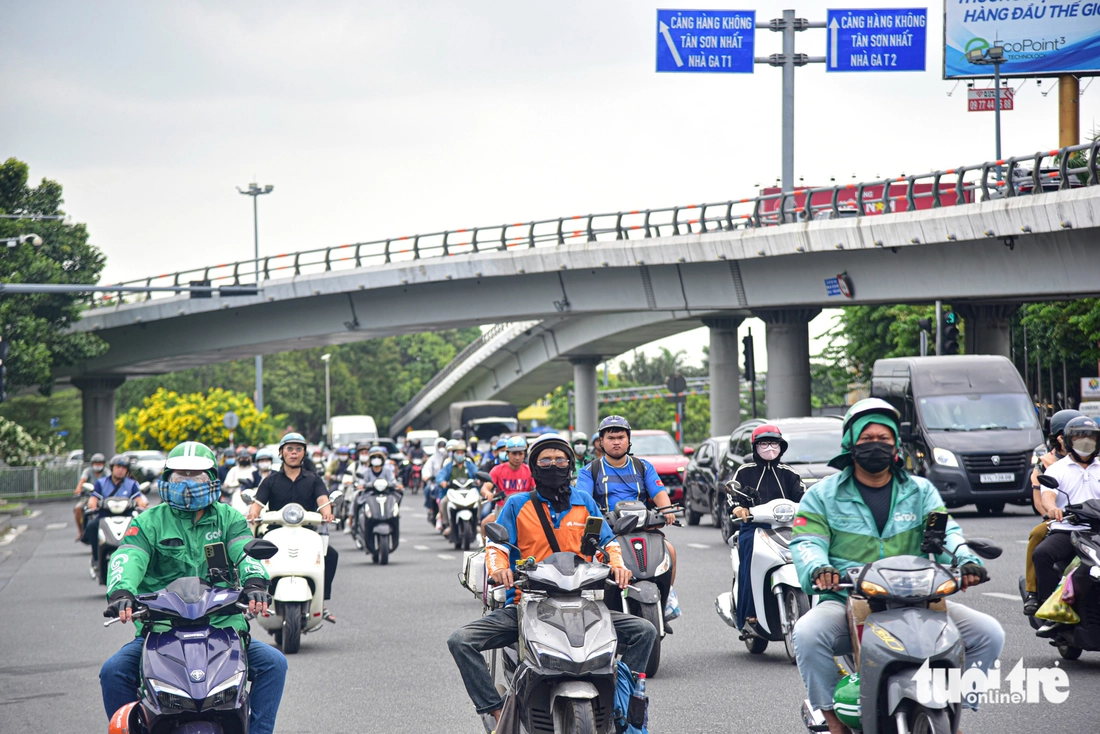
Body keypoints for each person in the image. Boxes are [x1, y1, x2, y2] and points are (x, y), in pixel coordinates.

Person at [790, 398, 1003, 734]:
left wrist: (966, 560)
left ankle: (954, 711)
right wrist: (819, 568)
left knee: (989, 633)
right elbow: (807, 542)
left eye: (884, 439)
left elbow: (947, 533)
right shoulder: (822, 495)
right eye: (867, 439)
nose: (876, 445)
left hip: (919, 600)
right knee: (807, 633)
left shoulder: (921, 491)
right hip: (847, 600)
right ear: (850, 444)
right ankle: (832, 718)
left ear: (895, 445)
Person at [446, 435, 656, 731]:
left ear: (570, 465)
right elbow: (497, 546)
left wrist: (618, 566)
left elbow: (607, 543)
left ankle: (622, 703)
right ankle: (495, 710)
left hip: (584, 603)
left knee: (645, 632)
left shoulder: (584, 502)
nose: (554, 465)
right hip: (527, 603)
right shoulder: (517, 504)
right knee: (461, 641)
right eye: (545, 460)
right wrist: (499, 569)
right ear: (535, 467)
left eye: (560, 460)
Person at [98, 441, 287, 734]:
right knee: (113, 672)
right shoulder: (148, 522)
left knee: (274, 664)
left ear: (211, 479)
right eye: (179, 477)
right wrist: (122, 592)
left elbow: (244, 551)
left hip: (222, 625)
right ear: (167, 480)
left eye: (196, 477)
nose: (187, 485)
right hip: (161, 629)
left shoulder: (229, 518)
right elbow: (129, 556)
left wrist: (255, 583)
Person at [575, 415, 679, 619]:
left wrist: (666, 511)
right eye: (611, 438)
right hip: (608, 533)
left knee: (671, 552)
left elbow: (659, 492)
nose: (616, 442)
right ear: (601, 442)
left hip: (643, 529)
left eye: (621, 437)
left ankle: (666, 600)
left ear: (628, 440)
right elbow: (583, 502)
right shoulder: (590, 471)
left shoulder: (643, 466)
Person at [248, 433, 338, 623]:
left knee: (331, 555)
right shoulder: (270, 480)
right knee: (253, 555)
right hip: (275, 533)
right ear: (281, 453)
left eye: (298, 449)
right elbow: (257, 505)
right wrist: (253, 514)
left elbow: (323, 500)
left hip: (307, 533)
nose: (294, 453)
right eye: (289, 449)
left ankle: (321, 602)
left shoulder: (314, 479)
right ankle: (255, 600)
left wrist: (327, 513)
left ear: (304, 453)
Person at [727, 424, 806, 632]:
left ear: (781, 447)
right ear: (755, 447)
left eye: (774, 443)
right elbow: (732, 497)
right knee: (749, 556)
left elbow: (805, 499)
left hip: (787, 527)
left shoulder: (790, 474)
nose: (769, 448)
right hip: (755, 527)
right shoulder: (744, 472)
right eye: (764, 444)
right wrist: (738, 509)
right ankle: (749, 610)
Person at [1034, 415, 1100, 634]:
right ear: (1070, 440)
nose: (1086, 441)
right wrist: (1053, 509)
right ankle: (1052, 612)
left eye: (1091, 437)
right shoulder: (1057, 469)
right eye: (1080, 436)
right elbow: (1047, 497)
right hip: (1068, 530)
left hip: (1096, 531)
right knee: (1042, 554)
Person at [1022, 409, 1081, 615]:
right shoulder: (1048, 463)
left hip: (1091, 520)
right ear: (1060, 438)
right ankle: (1033, 591)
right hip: (1061, 519)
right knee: (1037, 535)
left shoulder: (1093, 462)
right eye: (1074, 435)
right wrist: (1052, 512)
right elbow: (1041, 499)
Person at [86, 455, 149, 573]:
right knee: (91, 526)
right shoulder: (101, 483)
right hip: (105, 516)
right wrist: (92, 505)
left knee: (143, 529)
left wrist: (142, 505)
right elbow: (93, 498)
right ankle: (96, 558)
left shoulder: (132, 484)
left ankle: (141, 559)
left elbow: (139, 498)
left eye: (124, 468)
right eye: (118, 467)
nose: (120, 470)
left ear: (127, 470)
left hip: (127, 517)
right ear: (112, 468)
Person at [480, 436, 535, 532]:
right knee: (485, 524)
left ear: (524, 454)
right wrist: (488, 493)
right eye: (514, 453)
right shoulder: (497, 470)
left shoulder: (530, 471)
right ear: (508, 454)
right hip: (502, 509)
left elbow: (536, 488)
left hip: (525, 510)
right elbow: (485, 488)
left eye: (520, 453)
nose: (517, 457)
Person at [349, 445, 402, 543]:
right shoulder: (366, 472)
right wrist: (361, 486)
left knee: (399, 494)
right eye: (374, 457)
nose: (376, 460)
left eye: (379, 457)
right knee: (356, 498)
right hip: (369, 495)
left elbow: (393, 481)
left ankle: (394, 514)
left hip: (385, 495)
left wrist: (396, 485)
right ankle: (354, 523)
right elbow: (362, 482)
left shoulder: (387, 471)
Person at [435, 440, 479, 534]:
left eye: (461, 453)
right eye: (457, 453)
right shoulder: (449, 465)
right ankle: (447, 524)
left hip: (468, 491)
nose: (459, 455)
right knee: (443, 502)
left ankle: (477, 523)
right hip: (453, 492)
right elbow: (440, 476)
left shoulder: (469, 465)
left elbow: (477, 473)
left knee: (479, 500)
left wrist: (479, 480)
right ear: (453, 454)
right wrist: (443, 482)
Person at [74, 452, 107, 541]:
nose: (98, 465)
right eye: (96, 463)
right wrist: (78, 488)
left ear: (103, 464)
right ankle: (81, 532)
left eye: (100, 464)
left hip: (104, 497)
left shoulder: (106, 472)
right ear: (92, 464)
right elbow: (82, 481)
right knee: (78, 508)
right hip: (89, 496)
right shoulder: (88, 471)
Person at [423, 437, 450, 521]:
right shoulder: (432, 459)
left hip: (448, 482)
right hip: (435, 482)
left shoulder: (449, 459)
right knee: (428, 490)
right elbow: (427, 469)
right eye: (440, 445)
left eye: (443, 445)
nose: (441, 447)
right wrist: (427, 476)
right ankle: (431, 509)